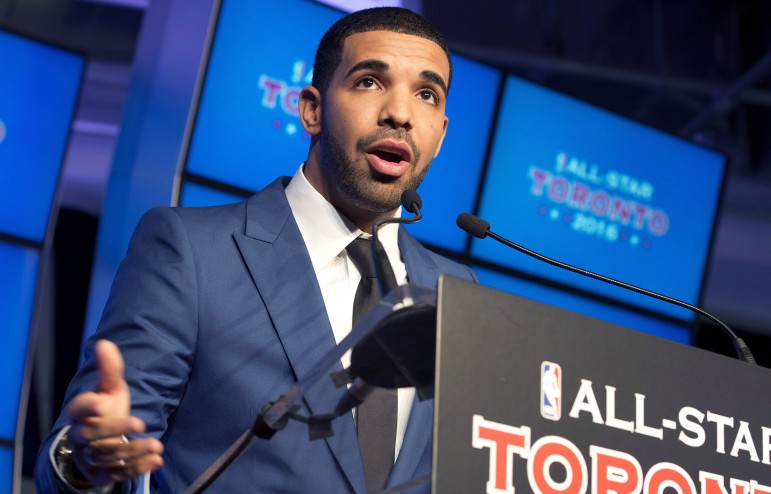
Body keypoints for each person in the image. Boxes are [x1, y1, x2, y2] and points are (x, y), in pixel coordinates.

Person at [35, 7, 476, 493]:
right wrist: (89, 461)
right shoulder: (190, 250)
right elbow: (98, 443)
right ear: (312, 109)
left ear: (440, 137)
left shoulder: (456, 293)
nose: (401, 113)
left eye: (427, 94)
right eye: (369, 82)